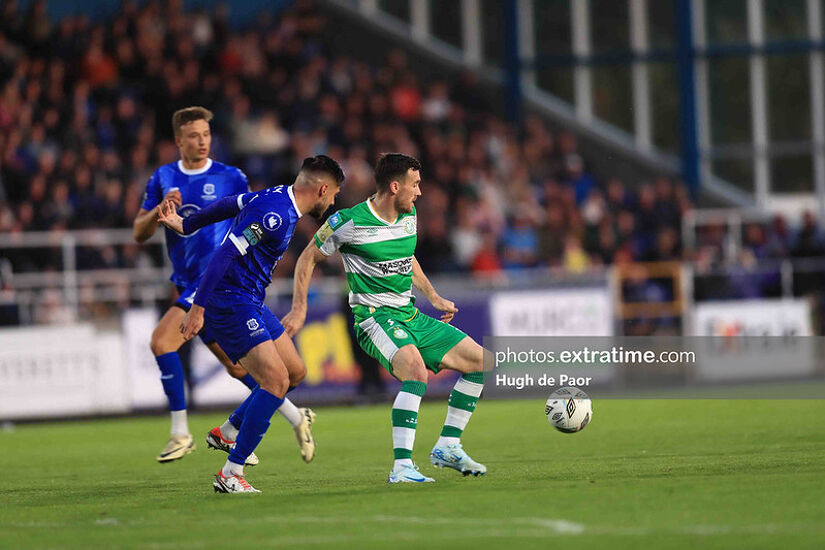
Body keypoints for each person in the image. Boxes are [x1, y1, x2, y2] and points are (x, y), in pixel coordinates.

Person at [282, 153, 488, 483]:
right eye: (415, 184)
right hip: (374, 318)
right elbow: (307, 259)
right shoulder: (348, 222)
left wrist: (432, 296)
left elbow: (407, 257)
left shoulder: (409, 216)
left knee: (480, 361)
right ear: (395, 186)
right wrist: (299, 308)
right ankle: (402, 466)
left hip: (409, 314)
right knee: (416, 372)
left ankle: (448, 445)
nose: (419, 192)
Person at [133, 106, 315, 464]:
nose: (202, 141)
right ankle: (296, 416)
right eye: (194, 136)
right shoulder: (163, 177)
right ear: (178, 141)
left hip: (214, 281)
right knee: (239, 369)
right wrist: (159, 213)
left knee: (161, 341)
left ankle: (181, 433)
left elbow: (249, 223)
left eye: (206, 134)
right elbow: (140, 233)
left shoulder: (232, 176)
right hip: (188, 282)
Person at [157, 155, 344, 493]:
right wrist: (197, 310)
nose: (332, 203)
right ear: (322, 189)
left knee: (295, 372)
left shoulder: (274, 196)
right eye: (334, 196)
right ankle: (231, 473)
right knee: (275, 381)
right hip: (229, 301)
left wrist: (188, 224)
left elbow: (230, 204)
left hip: (250, 299)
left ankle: (226, 433)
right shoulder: (275, 215)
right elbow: (223, 255)